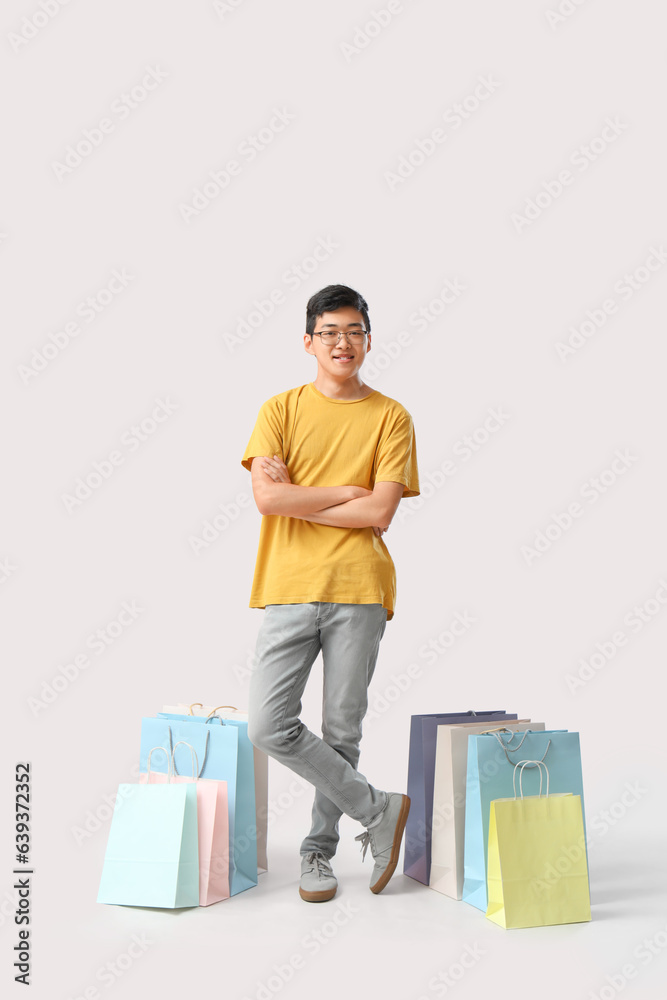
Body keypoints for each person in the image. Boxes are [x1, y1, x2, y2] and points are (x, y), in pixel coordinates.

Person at [241, 283, 420, 902]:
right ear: (309, 341)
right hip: (288, 586)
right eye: (330, 332)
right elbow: (268, 499)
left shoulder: (391, 416)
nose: (342, 343)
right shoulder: (279, 410)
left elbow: (381, 514)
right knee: (269, 724)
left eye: (354, 331)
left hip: (359, 589)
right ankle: (381, 809)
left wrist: (313, 496)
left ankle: (317, 854)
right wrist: (348, 492)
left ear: (367, 338)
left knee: (340, 731)